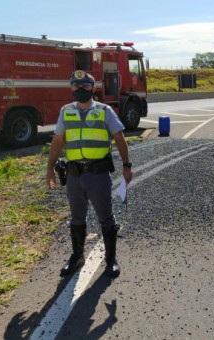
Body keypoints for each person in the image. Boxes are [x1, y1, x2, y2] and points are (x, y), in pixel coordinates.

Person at [46, 70, 133, 278]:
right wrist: (49, 168)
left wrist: (127, 165)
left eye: (84, 86)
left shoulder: (105, 111)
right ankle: (77, 256)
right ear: (71, 88)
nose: (80, 90)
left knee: (106, 217)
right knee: (77, 217)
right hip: (74, 175)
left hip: (98, 174)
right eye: (76, 86)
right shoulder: (65, 111)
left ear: (93, 88)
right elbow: (58, 141)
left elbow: (119, 138)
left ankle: (111, 260)